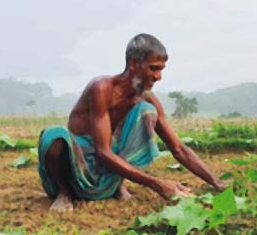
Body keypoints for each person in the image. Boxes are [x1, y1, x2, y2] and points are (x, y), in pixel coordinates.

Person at [38, 33, 227, 212]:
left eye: (161, 70)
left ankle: (116, 184)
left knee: (147, 112)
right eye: (154, 68)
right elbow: (102, 151)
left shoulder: (146, 100)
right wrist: (157, 184)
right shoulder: (102, 88)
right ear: (134, 64)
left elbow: (178, 148)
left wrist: (215, 182)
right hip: (79, 159)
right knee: (54, 136)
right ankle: (65, 192)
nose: (158, 77)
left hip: (110, 158)